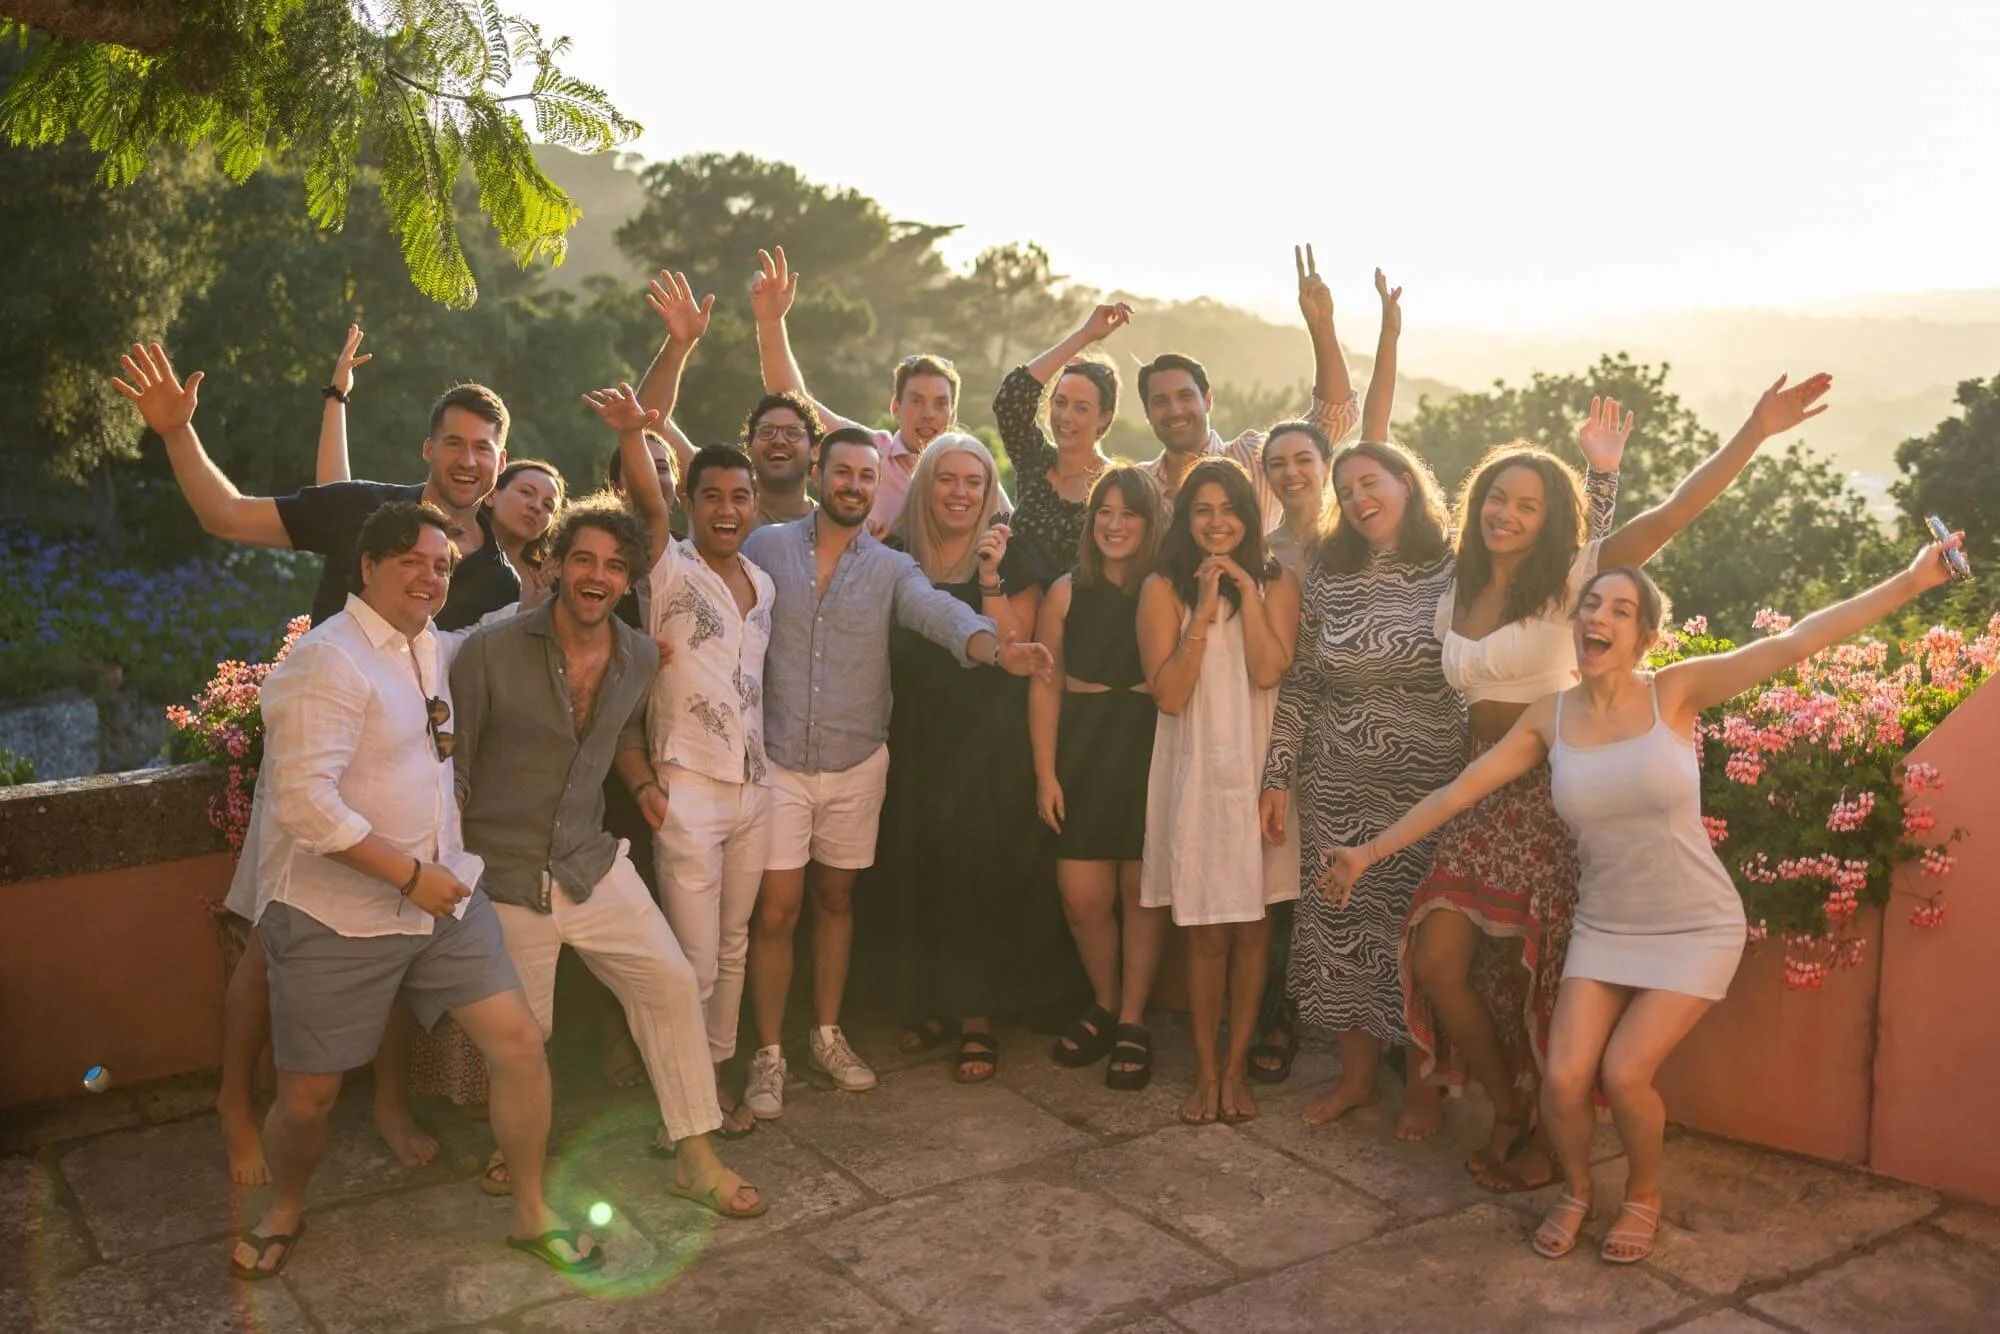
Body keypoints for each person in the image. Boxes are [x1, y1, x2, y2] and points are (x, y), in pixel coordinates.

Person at [1325, 534, 1967, 1263]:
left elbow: (1795, 643)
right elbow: (1457, 793)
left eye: (1621, 609)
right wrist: (1368, 852)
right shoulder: (1550, 718)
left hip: (1694, 923)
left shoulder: (1675, 692)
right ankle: (1576, 1189)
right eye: (1592, 604)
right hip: (1605, 925)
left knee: (1623, 1073)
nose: (1599, 616)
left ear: (1645, 635)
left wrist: (1912, 583)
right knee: (1564, 1079)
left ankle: (1644, 1194)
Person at [1401, 374, 1830, 1189]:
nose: (1508, 515)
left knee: (1549, 975)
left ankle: (1545, 1137)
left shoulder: (1573, 578)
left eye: (1528, 503)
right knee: (1441, 960)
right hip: (1483, 787)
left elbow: (1670, 516)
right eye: (1497, 498)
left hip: (1561, 790)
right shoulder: (1454, 586)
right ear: (1477, 502)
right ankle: (1511, 1104)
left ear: (1550, 516)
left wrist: (1753, 428)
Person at [114, 340, 511, 1184]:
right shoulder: (362, 512)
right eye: (455, 442)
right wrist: (178, 435)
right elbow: (226, 515)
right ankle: (233, 1101)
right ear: (427, 450)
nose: (468, 460)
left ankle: (392, 1103)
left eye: (485, 447)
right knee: (269, 942)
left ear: (499, 460)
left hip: (416, 792)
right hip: (318, 776)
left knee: (404, 941)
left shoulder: (498, 576)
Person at [1257, 277, 1622, 1138]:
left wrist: (1603, 480)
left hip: (1430, 777)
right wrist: (1278, 774)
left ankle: (1427, 1084)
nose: (1359, 495)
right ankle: (1354, 1077)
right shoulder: (1328, 574)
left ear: (1408, 485)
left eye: (1373, 480)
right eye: (1348, 489)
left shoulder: (1454, 567)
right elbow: (1302, 681)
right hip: (1336, 775)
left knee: (1414, 936)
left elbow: (1575, 558)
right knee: (1340, 928)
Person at [222, 501, 600, 1280]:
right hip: (339, 914)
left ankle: (531, 1213)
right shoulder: (325, 662)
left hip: (443, 900)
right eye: (412, 561)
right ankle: (285, 1206)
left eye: (441, 564)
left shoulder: (424, 643)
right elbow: (305, 806)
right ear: (367, 567)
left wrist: (551, 594)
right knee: (309, 1101)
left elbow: (472, 642)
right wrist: (408, 876)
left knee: (520, 1047)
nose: (430, 576)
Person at [451, 490, 765, 1219]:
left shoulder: (634, 656)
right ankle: (517, 1150)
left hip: (591, 862)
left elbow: (622, 736)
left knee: (672, 987)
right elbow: (453, 771)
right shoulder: (489, 653)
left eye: (615, 566)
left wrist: (645, 785)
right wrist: (450, 874)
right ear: (556, 566)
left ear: (628, 581)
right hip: (505, 874)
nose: (598, 576)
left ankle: (694, 1156)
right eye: (583, 559)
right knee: (528, 1036)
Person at [737, 427, 1055, 1118]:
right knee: (777, 911)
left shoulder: (890, 566)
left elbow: (938, 612)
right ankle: (767, 1055)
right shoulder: (764, 548)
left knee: (837, 902)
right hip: (781, 761)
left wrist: (998, 651)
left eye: (864, 476)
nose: (852, 485)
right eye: (841, 472)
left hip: (857, 760)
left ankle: (825, 1034)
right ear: (819, 471)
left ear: (879, 484)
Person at [604, 379, 779, 1138]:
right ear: (691, 502)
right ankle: (690, 1099)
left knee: (735, 946)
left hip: (752, 786)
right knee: (692, 962)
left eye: (740, 497)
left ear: (754, 505)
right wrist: (633, 434)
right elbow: (645, 503)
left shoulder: (765, 585)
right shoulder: (668, 568)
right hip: (683, 787)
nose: (727, 510)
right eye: (712, 496)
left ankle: (710, 1076)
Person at [868, 434, 1057, 1082]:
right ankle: (936, 1006)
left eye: (973, 481)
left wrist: (991, 576)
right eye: (946, 478)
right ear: (924, 486)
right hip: (910, 742)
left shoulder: (1012, 552)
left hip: (988, 747)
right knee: (918, 872)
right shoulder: (892, 556)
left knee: (977, 877)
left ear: (988, 489)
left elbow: (1020, 651)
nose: (959, 492)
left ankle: (978, 1020)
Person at [1139, 457, 1301, 1125]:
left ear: (1248, 515)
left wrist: (1250, 596)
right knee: (1207, 932)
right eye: (1202, 510)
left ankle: (1238, 1069)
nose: (1216, 523)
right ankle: (1205, 1072)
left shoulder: (1278, 581)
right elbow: (1171, 697)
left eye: (1228, 509)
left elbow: (1269, 671)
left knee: (1254, 928)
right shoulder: (1161, 588)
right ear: (1187, 518)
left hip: (1261, 775)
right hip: (1197, 770)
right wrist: (1203, 613)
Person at [1030, 467, 1170, 1088]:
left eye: (1130, 514)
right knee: (1083, 897)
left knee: (1142, 894)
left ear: (1150, 523)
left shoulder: (1165, 590)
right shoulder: (1065, 591)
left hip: (1149, 745)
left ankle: (1133, 1020)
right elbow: (1046, 687)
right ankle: (1106, 1001)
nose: (1115, 525)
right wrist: (1045, 774)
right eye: (1104, 513)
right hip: (1083, 749)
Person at [1135, 245, 1359, 523]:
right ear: (1146, 413)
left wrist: (1322, 325)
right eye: (1160, 401)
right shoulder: (1139, 486)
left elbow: (1334, 416)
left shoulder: (1254, 457)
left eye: (1185, 396)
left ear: (1208, 400)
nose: (1175, 410)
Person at [749, 244, 958, 533]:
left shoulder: (970, 473)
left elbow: (1008, 529)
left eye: (939, 404)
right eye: (916, 401)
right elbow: (793, 400)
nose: (928, 414)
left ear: (953, 414)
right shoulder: (867, 450)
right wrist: (771, 321)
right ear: (895, 407)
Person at [631, 266, 822, 530]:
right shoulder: (717, 487)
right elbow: (647, 423)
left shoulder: (832, 525)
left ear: (816, 449)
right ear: (749, 447)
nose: (778, 440)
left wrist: (772, 321)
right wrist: (678, 344)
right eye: (766, 432)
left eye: (792, 432)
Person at [992, 303, 1133, 571]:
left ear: (1105, 416)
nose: (1065, 416)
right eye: (1061, 402)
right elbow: (1011, 399)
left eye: (1081, 408)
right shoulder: (1034, 460)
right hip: (1010, 607)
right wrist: (1085, 335)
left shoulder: (1117, 484)